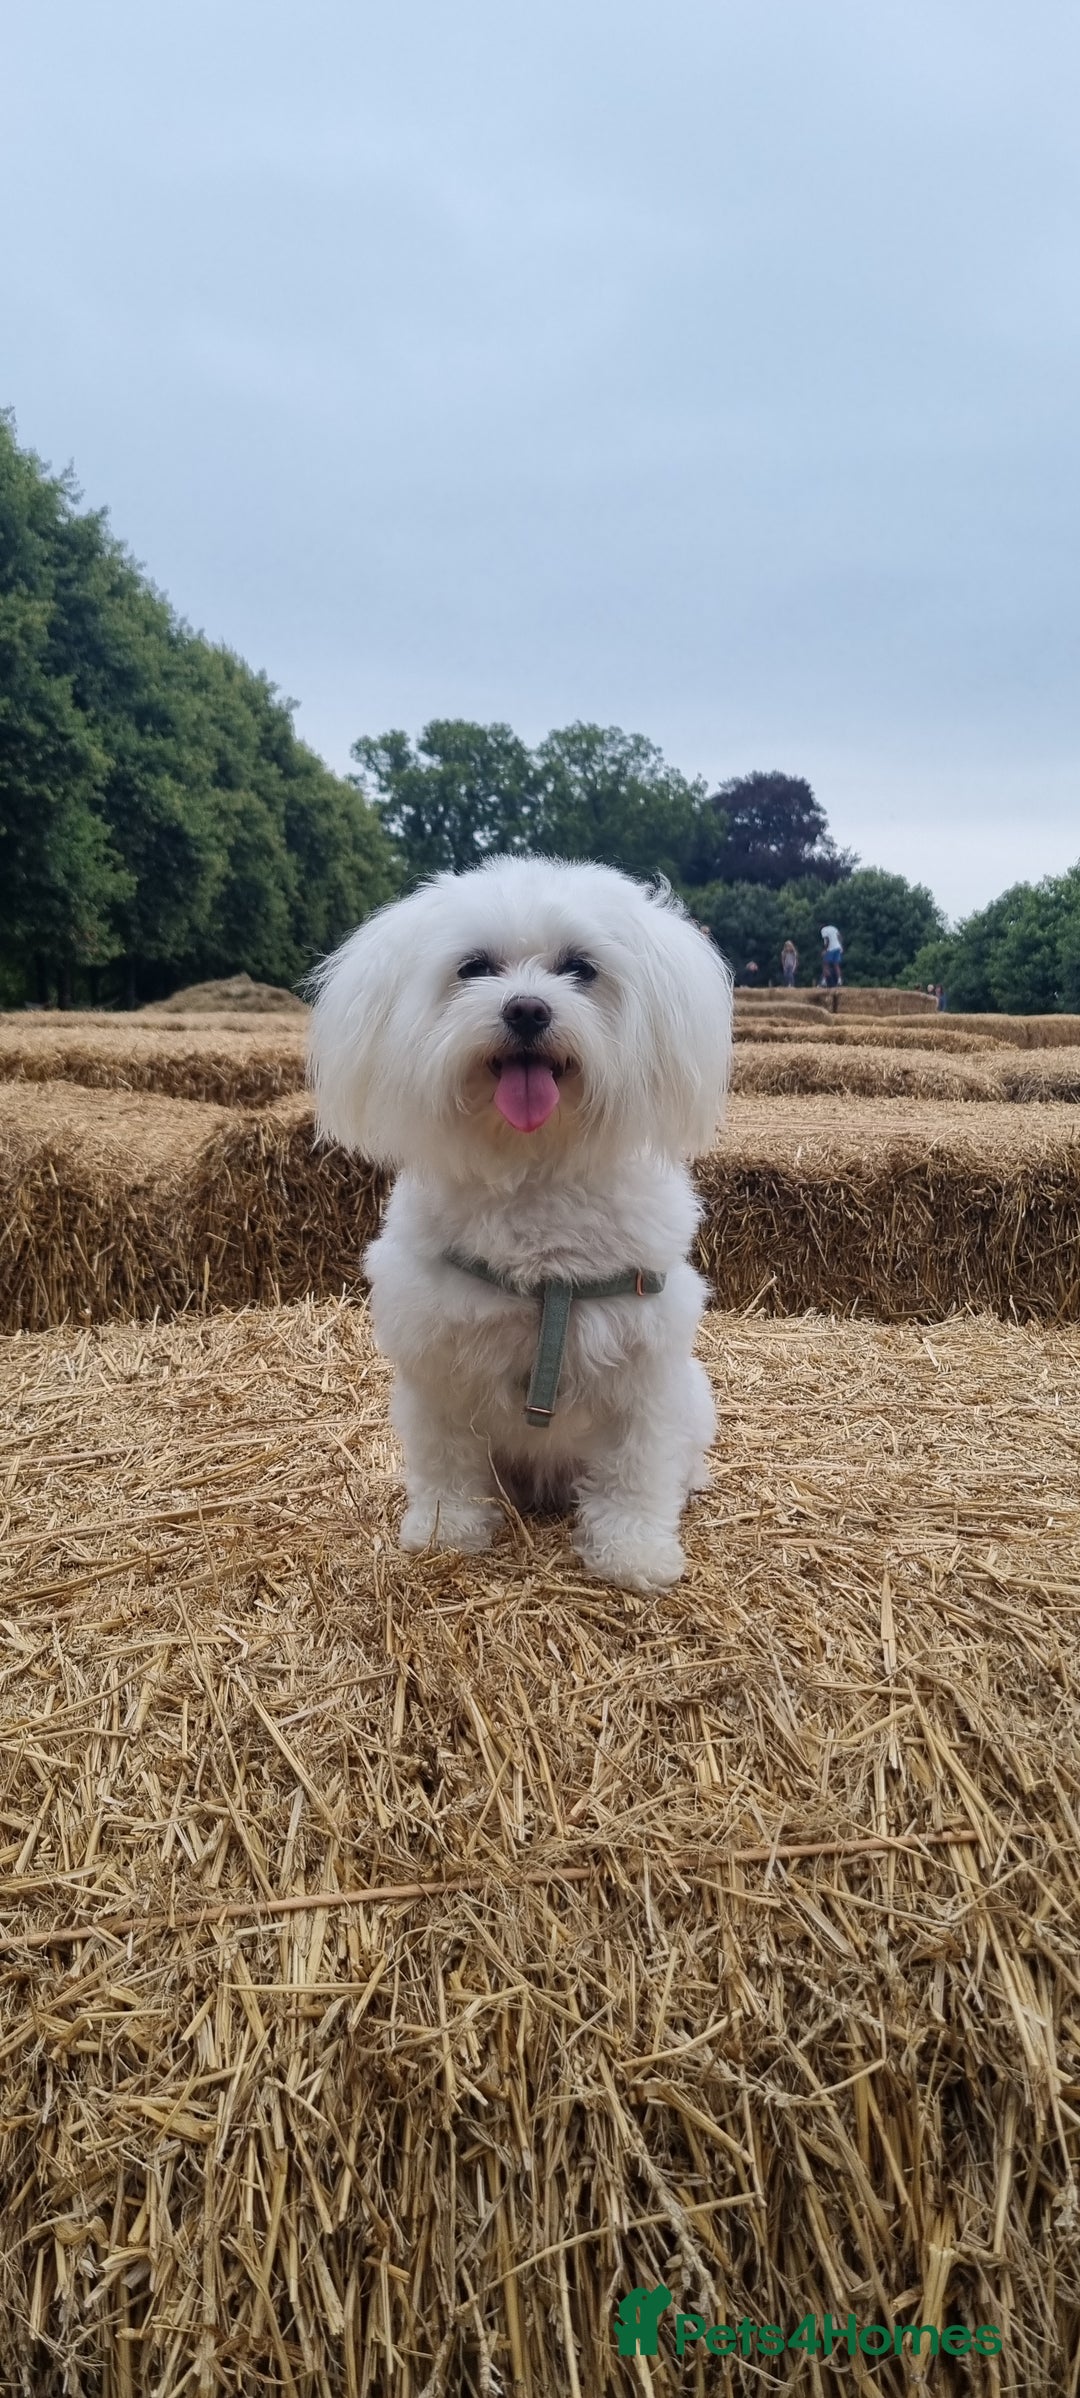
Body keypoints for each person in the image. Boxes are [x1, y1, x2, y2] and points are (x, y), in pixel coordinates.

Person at [820, 925, 843, 990]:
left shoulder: (823, 930)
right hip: (838, 947)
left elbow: (827, 940)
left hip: (830, 949)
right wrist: (841, 946)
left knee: (825, 965)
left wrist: (825, 950)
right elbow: (840, 937)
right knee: (836, 965)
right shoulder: (834, 928)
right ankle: (839, 980)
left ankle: (824, 981)